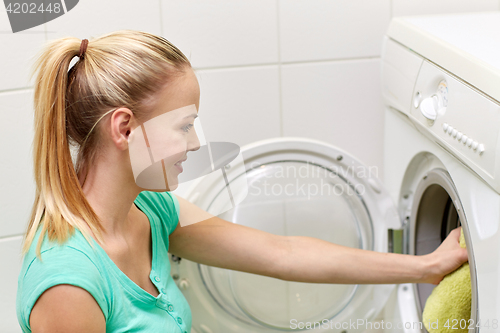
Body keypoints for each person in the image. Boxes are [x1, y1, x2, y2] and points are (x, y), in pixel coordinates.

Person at [16, 30, 468, 333]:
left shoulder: (149, 211)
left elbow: (284, 254)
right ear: (125, 129)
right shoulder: (68, 282)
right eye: (184, 125)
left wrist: (424, 266)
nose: (195, 144)